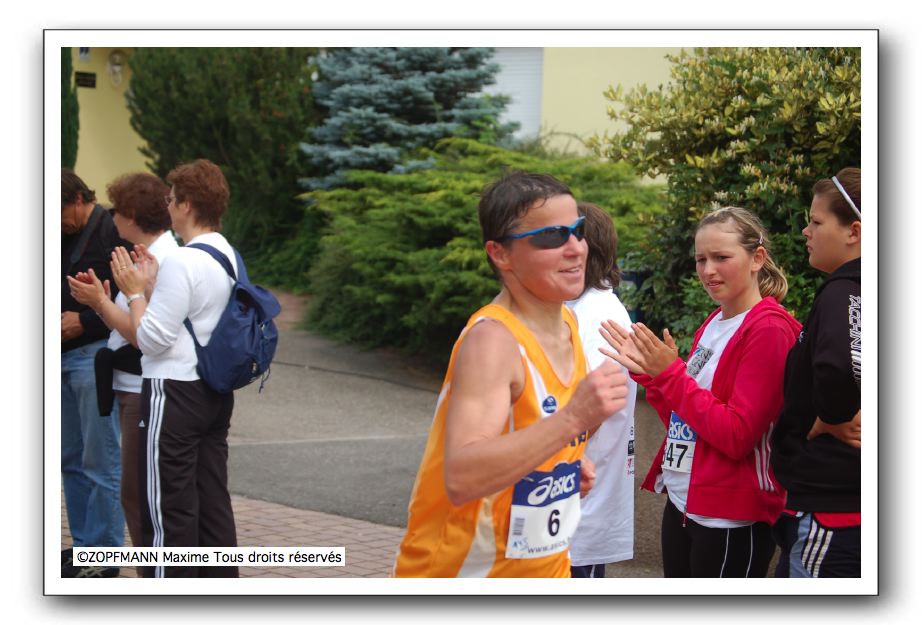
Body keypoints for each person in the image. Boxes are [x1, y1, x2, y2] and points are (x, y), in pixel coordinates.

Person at [393, 172, 629, 577]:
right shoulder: (493, 341)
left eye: (578, 231)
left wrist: (561, 466)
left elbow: (535, 432)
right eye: (552, 237)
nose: (575, 248)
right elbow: (463, 475)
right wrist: (573, 419)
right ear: (500, 254)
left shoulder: (568, 324)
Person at [600, 206, 801, 578]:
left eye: (721, 258)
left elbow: (737, 435)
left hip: (730, 517)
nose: (708, 270)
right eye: (701, 259)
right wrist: (654, 377)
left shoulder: (769, 330)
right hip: (685, 501)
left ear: (757, 258)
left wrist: (670, 375)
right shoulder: (714, 321)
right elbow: (686, 418)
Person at [69, 159, 239, 577]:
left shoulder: (182, 260)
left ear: (186, 205)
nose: (169, 206)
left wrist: (132, 293)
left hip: (175, 391)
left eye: (173, 198)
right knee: (212, 503)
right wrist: (146, 288)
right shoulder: (225, 251)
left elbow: (151, 340)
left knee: (166, 508)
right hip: (212, 389)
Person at [68, 172, 178, 556]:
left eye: (116, 209)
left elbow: (142, 335)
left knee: (138, 492)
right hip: (129, 383)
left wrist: (97, 305)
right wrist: (101, 299)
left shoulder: (163, 260)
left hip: (144, 385)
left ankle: (149, 569)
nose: (111, 215)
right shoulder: (145, 254)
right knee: (132, 490)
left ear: (130, 215)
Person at [771, 167, 862, 578]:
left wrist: (829, 418)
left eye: (816, 221)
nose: (806, 231)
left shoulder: (845, 290)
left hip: (833, 507)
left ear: (854, 231)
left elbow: (840, 367)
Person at [565, 203, 638, 578]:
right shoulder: (575, 306)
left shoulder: (599, 315)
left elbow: (593, 410)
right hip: (560, 499)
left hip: (580, 502)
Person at [61, 169, 126, 578]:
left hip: (93, 355)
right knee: (71, 459)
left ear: (79, 199)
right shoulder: (60, 231)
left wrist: (83, 321)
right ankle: (85, 547)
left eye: (59, 212)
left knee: (101, 460)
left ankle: (106, 555)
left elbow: (131, 297)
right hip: (61, 358)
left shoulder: (110, 232)